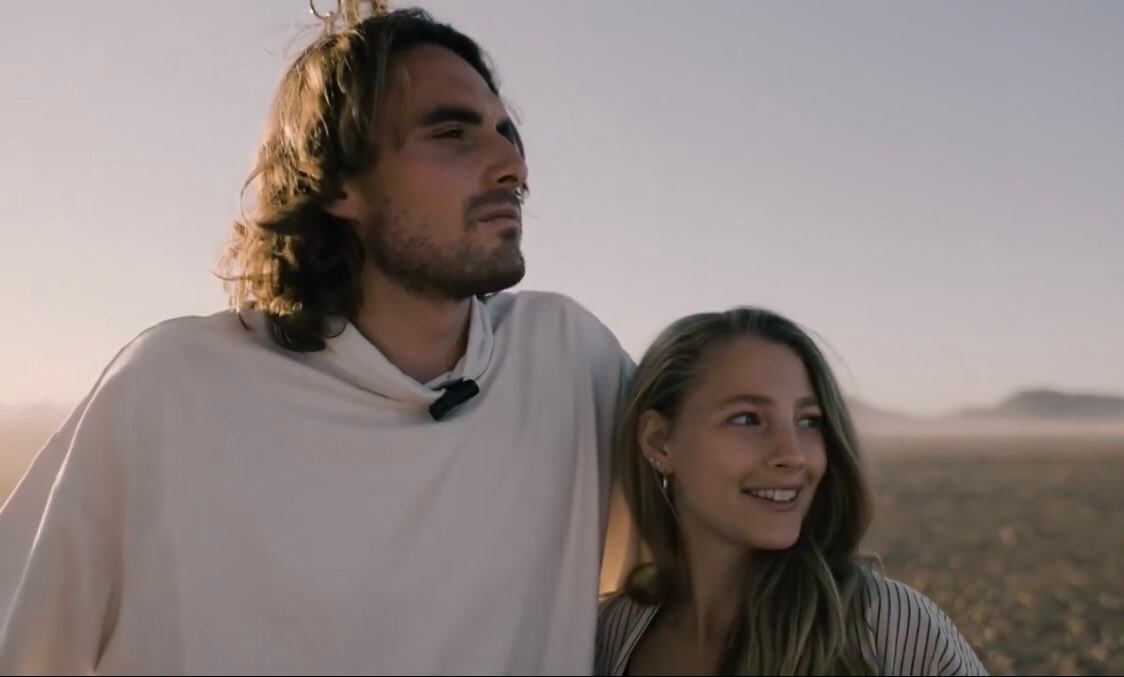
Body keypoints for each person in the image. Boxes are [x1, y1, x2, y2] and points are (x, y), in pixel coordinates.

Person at [0, 5, 632, 674]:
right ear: (336, 182)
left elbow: (698, 586)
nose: (512, 166)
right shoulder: (175, 390)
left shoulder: (567, 360)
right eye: (453, 133)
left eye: (507, 133)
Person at [596, 308, 986, 675]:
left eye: (808, 421)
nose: (793, 455)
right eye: (747, 419)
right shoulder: (610, 635)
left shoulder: (889, 629)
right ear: (660, 441)